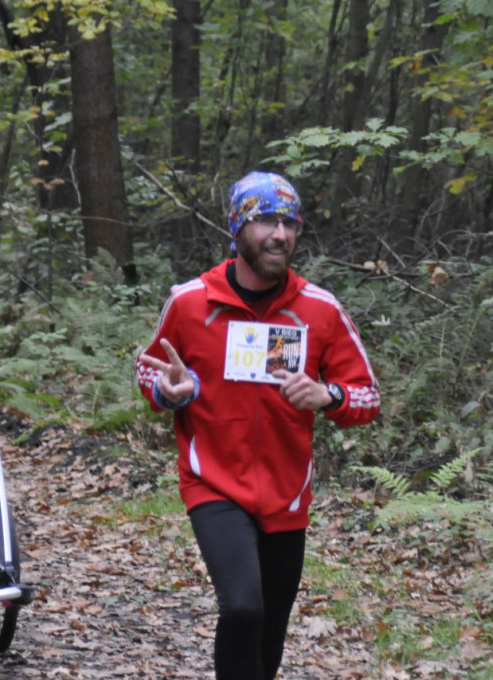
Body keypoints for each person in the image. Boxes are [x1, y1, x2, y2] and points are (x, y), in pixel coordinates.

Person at [135, 171, 380, 680]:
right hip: (213, 481)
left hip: (287, 493)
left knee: (268, 633)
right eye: (265, 220)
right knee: (243, 607)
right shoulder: (190, 301)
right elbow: (149, 368)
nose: (280, 235)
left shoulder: (319, 309)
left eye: (289, 223)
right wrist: (169, 391)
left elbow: (368, 396)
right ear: (238, 227)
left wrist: (327, 394)